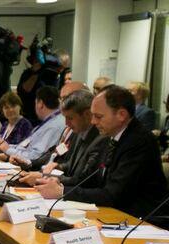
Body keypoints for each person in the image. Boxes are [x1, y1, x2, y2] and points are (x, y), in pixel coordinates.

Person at [35, 85, 168, 219]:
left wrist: (62, 191)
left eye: (98, 116)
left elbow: (113, 194)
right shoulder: (112, 135)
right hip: (115, 214)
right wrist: (57, 183)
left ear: (121, 114)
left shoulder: (139, 141)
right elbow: (89, 179)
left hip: (142, 220)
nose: (93, 121)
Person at [18, 90, 105, 186]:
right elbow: (71, 164)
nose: (66, 123)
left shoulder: (100, 139)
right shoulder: (78, 131)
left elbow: (82, 180)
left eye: (70, 118)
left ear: (87, 114)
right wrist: (59, 167)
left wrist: (43, 176)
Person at [0, 86, 64, 162]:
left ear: (40, 103)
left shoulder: (52, 126)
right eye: (6, 108)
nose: (10, 110)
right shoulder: (50, 122)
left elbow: (35, 156)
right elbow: (26, 147)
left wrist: (7, 149)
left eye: (13, 106)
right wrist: (5, 146)